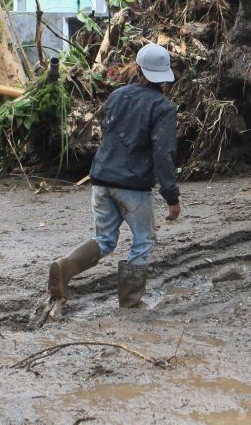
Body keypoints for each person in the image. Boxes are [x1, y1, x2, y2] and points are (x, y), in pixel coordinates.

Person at [44, 43, 182, 313]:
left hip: (101, 178)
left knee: (105, 239)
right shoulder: (163, 107)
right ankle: (131, 301)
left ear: (138, 69)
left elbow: (110, 133)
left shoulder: (117, 96)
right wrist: (171, 197)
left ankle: (65, 266)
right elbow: (163, 154)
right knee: (143, 239)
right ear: (164, 75)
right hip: (133, 185)